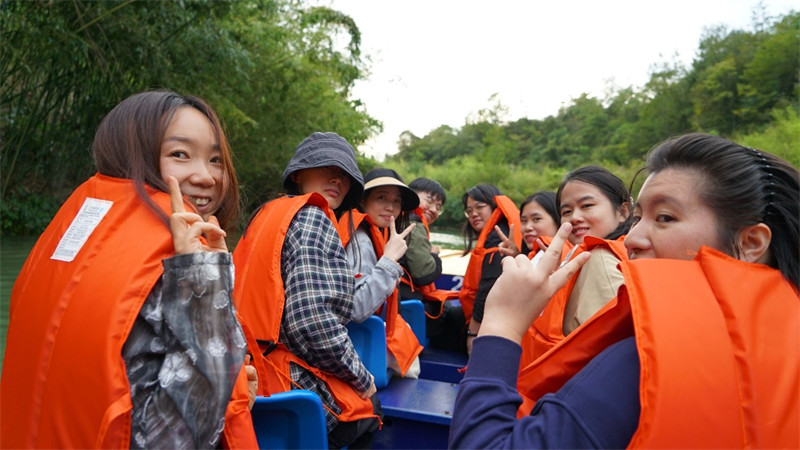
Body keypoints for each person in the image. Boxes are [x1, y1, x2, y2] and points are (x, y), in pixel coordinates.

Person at [449, 133, 799, 449]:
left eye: (665, 218)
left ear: (751, 243)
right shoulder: (781, 345)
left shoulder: (645, 363)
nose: (632, 239)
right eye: (640, 219)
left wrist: (501, 324)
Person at [0, 90, 257, 449]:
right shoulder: (174, 256)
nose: (206, 176)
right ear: (133, 155)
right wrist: (202, 278)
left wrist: (234, 383)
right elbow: (176, 435)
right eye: (180, 154)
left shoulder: (71, 237)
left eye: (215, 159)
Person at [232, 132, 382, 449]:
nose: (337, 179)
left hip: (248, 376)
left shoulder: (266, 213)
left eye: (344, 174)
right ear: (298, 175)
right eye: (327, 167)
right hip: (287, 384)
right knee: (372, 412)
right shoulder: (313, 217)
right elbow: (312, 322)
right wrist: (363, 378)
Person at [339, 168, 422, 378]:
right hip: (350, 345)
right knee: (413, 367)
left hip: (356, 338)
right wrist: (389, 261)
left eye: (396, 201)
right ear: (362, 201)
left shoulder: (370, 233)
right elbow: (357, 308)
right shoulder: (360, 241)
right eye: (381, 198)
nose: (390, 207)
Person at [398, 177, 465, 352]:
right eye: (429, 200)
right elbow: (424, 274)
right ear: (411, 195)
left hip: (400, 300)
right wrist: (434, 255)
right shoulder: (413, 224)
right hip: (407, 306)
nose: (434, 209)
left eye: (438, 206)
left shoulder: (398, 219)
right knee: (457, 317)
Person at [460, 184, 522, 355]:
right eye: (469, 211)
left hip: (492, 323)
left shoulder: (497, 238)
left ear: (494, 206)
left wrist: (473, 333)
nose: (473, 213)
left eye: (480, 207)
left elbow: (489, 289)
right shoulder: (498, 232)